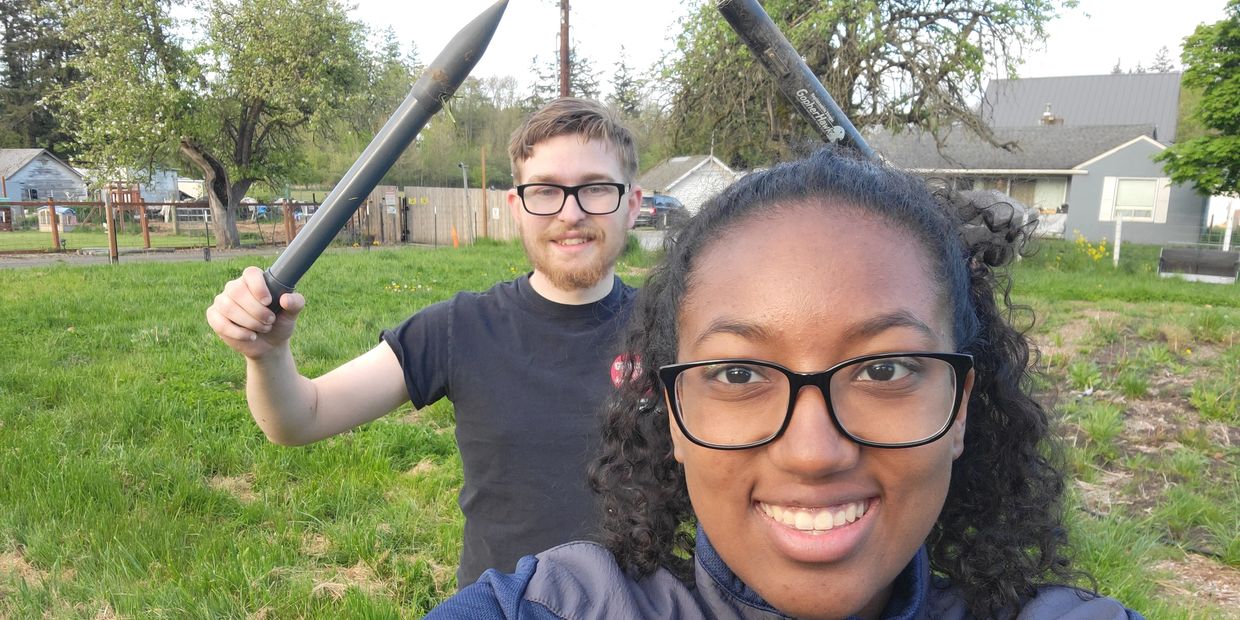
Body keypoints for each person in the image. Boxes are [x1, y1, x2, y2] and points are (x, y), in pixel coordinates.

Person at [426, 146, 1143, 619]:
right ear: (672, 412)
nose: (811, 452)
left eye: (883, 368)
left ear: (960, 406)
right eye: (738, 373)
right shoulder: (553, 609)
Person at [205, 97, 643, 585]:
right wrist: (267, 356)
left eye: (596, 189)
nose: (571, 212)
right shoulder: (460, 329)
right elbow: (298, 419)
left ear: (633, 204)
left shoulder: (675, 331)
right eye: (545, 191)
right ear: (516, 207)